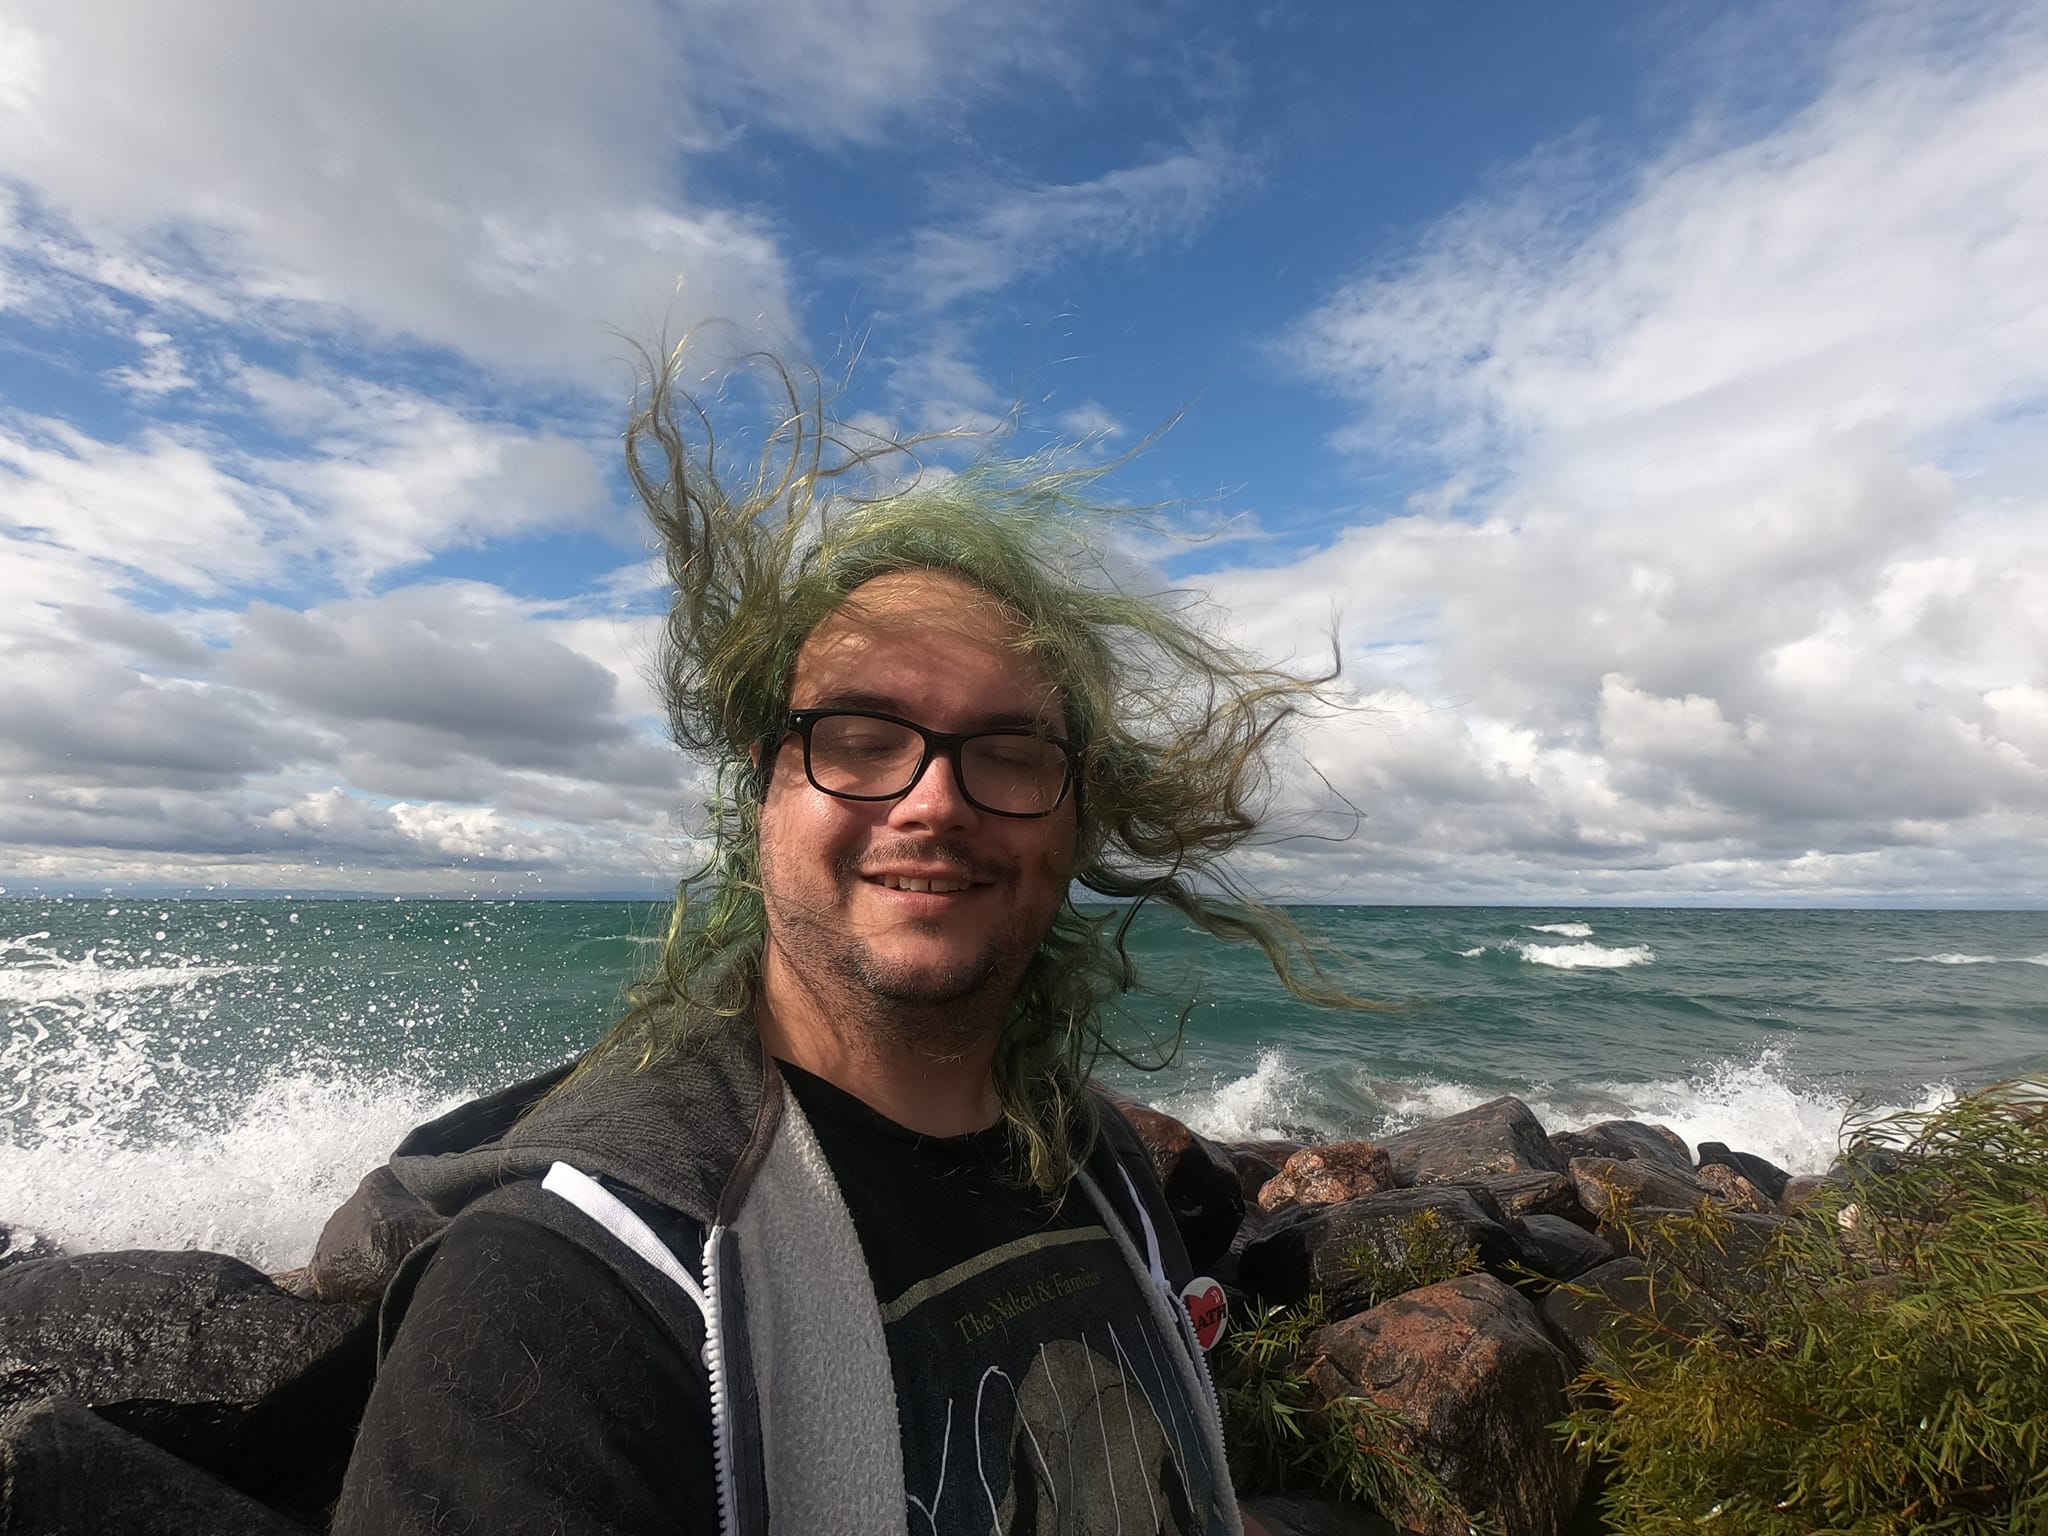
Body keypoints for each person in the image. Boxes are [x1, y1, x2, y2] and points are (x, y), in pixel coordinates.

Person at [333, 357, 1355, 1536]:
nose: (932, 803)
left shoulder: (1101, 1164)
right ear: (760, 794)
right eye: (861, 738)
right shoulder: (571, 1290)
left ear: (1074, 823)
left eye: (1010, 751)